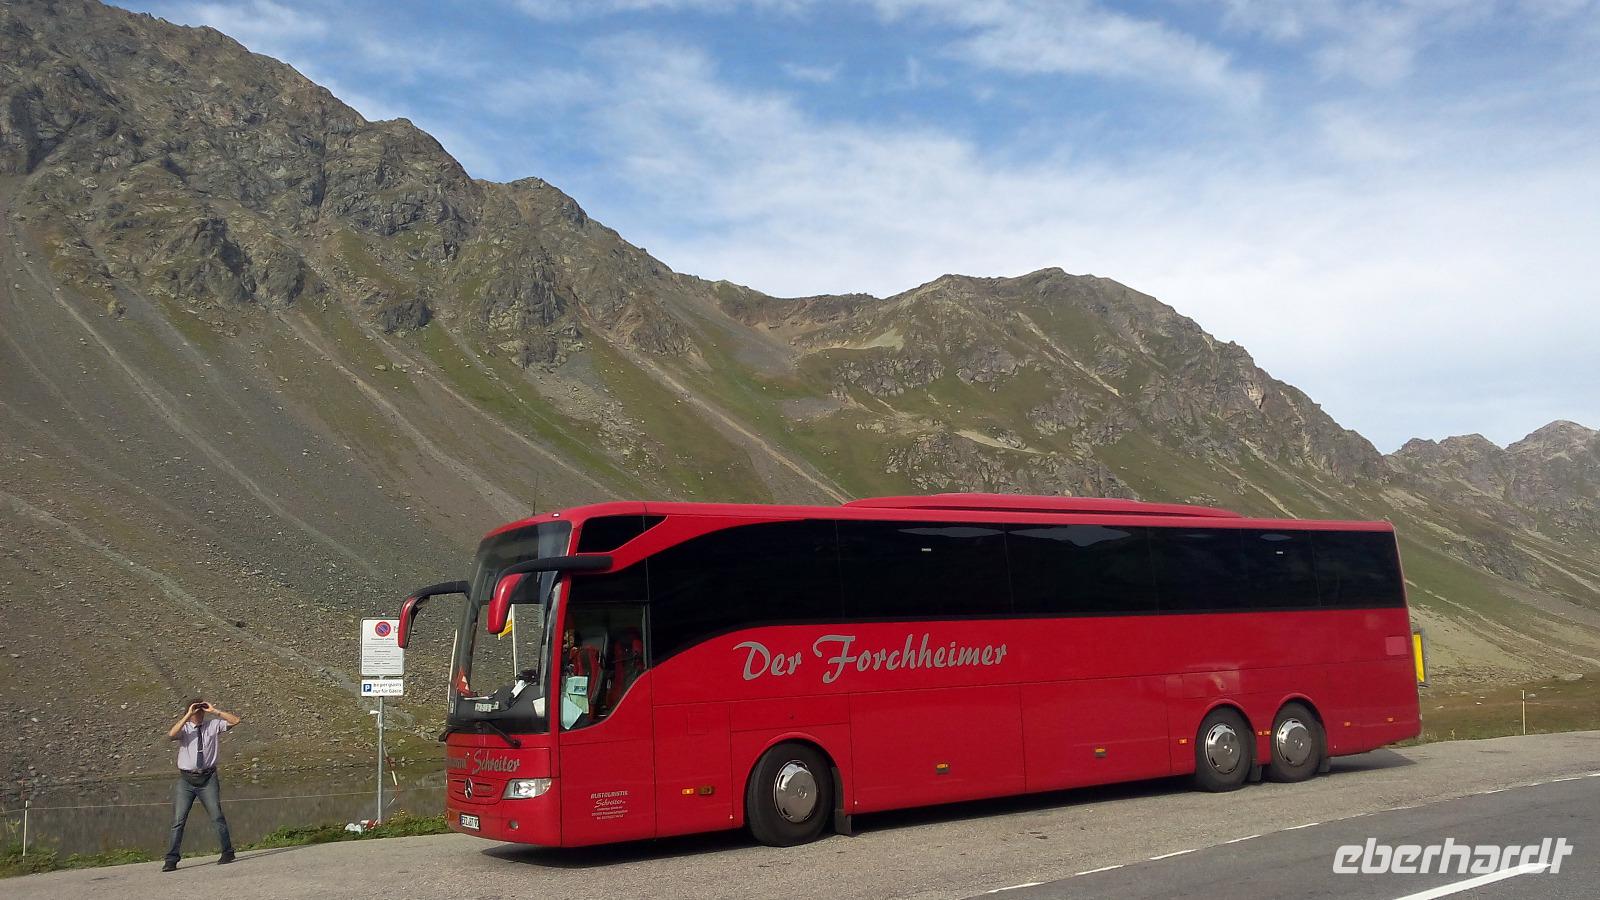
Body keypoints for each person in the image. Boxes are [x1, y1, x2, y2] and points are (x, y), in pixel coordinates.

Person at [160, 697, 242, 871]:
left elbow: (235, 721)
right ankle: (171, 859)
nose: (199, 714)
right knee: (178, 820)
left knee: (216, 816)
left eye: (200, 712)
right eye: (195, 712)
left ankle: (227, 851)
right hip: (186, 780)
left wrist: (214, 711)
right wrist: (187, 715)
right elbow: (171, 735)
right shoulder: (185, 729)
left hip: (208, 777)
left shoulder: (212, 726)